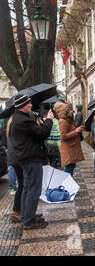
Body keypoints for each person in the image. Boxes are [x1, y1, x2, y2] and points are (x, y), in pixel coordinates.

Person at [9, 94, 53, 229]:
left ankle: (27, 216)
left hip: (26, 157)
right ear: (23, 106)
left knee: (27, 189)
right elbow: (43, 133)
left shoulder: (19, 118)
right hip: (31, 158)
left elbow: (35, 133)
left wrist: (38, 124)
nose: (31, 105)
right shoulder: (22, 120)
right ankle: (28, 221)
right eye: (28, 103)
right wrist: (49, 120)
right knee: (33, 190)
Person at [54, 102, 84, 176]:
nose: (71, 111)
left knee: (71, 167)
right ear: (63, 111)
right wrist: (76, 131)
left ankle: (68, 185)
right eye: (68, 110)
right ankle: (67, 186)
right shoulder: (63, 121)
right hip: (68, 150)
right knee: (69, 169)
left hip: (70, 148)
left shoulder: (67, 120)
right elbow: (62, 137)